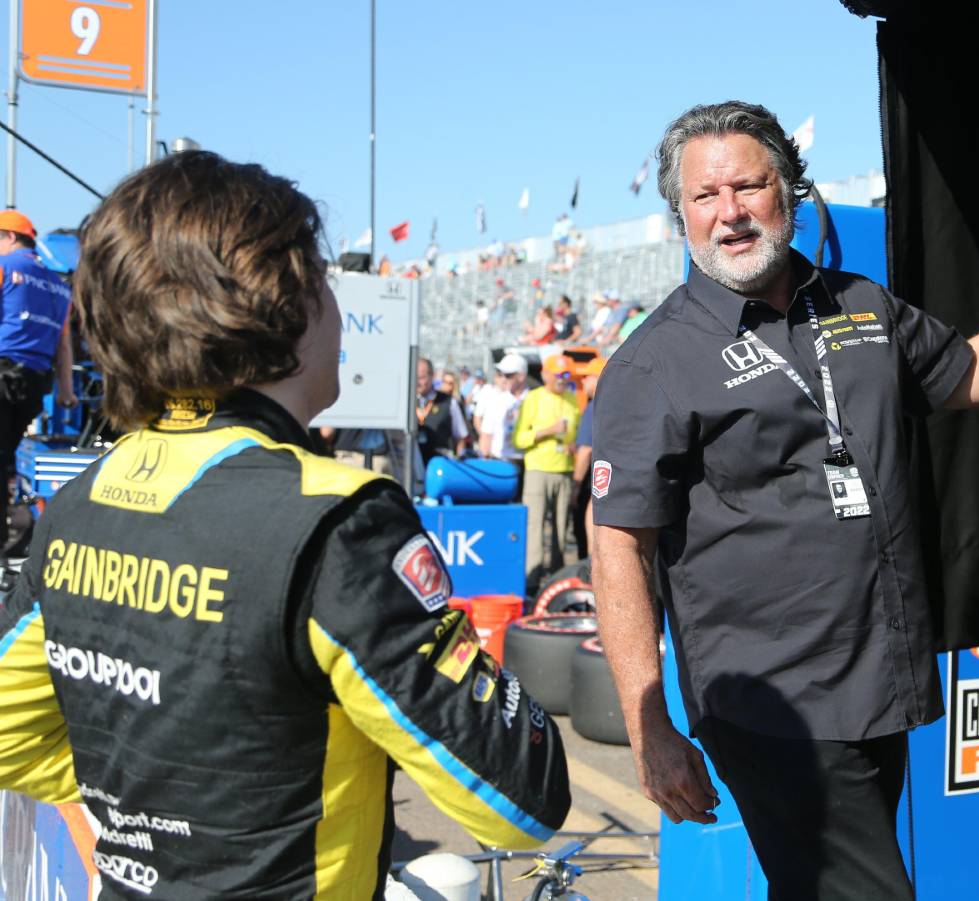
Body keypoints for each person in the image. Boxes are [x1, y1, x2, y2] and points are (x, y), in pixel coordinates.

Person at [589, 100, 979, 901]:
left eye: (748, 187)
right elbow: (618, 544)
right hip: (772, 703)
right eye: (704, 199)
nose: (730, 214)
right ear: (681, 217)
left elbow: (976, 371)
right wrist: (649, 726)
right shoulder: (656, 363)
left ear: (790, 190)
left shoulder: (861, 305)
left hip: (876, 684)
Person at [0, 150, 569, 898]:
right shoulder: (337, 519)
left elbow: (10, 735)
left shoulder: (77, 498)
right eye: (327, 285)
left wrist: (160, 801)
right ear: (292, 307)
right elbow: (521, 795)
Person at [0, 211, 76, 544]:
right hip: (33, 384)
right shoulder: (60, 288)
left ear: (11, 237)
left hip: (2, 371)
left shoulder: (6, 268)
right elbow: (63, 345)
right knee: (5, 461)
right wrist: (68, 392)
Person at [513, 353, 580, 586]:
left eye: (566, 374)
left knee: (561, 528)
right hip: (538, 471)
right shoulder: (534, 398)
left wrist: (574, 446)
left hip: (564, 470)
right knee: (535, 526)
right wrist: (548, 431)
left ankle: (557, 578)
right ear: (545, 375)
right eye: (558, 375)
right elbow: (519, 439)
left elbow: (577, 434)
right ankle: (532, 579)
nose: (563, 379)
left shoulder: (572, 399)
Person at [570, 357, 605, 561]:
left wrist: (576, 484)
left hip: (595, 479)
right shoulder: (619, 401)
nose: (582, 382)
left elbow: (585, 451)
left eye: (586, 377)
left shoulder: (595, 406)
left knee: (588, 527)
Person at [416, 357, 467, 463]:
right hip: (412, 465)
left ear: (432, 376)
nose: (417, 382)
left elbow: (461, 436)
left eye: (421, 378)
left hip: (440, 465)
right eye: (415, 377)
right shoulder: (407, 401)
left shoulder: (448, 402)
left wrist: (458, 461)